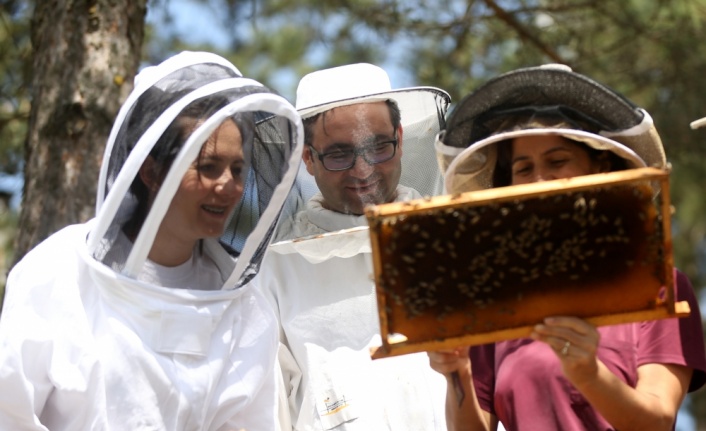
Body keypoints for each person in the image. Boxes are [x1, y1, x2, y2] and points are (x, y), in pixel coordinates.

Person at [0, 51, 304, 430]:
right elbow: (10, 413)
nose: (229, 186)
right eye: (208, 167)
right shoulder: (58, 274)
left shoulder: (245, 309)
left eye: (238, 169)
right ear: (151, 170)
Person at [429, 64, 706, 431]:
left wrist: (589, 373)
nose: (540, 180)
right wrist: (457, 372)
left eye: (557, 161)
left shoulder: (661, 286)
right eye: (523, 169)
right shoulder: (492, 303)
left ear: (601, 170)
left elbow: (657, 419)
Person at [256, 63, 451, 430]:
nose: (363, 170)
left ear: (401, 140)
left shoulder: (450, 244)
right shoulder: (274, 272)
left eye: (378, 147)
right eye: (340, 154)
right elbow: (269, 414)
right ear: (308, 159)